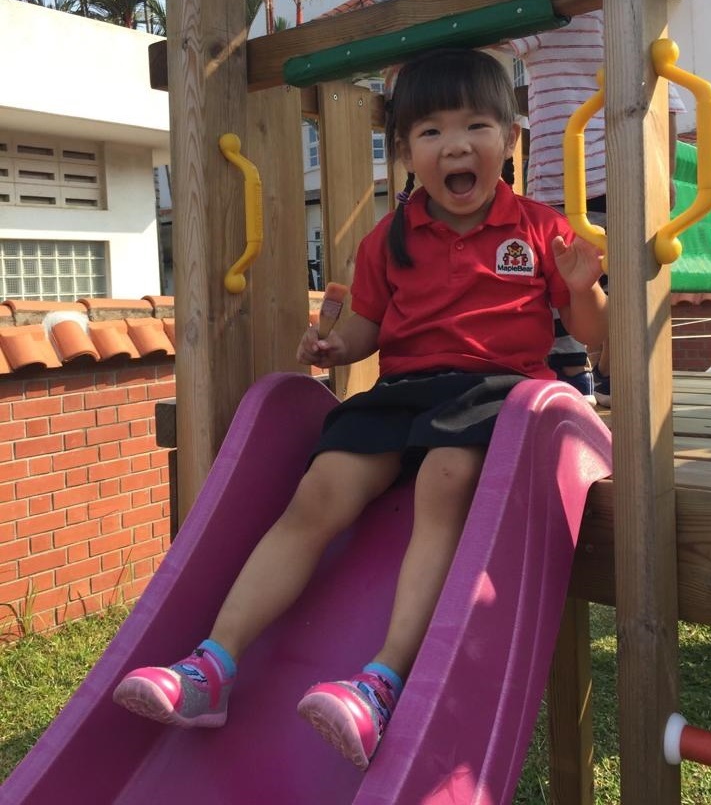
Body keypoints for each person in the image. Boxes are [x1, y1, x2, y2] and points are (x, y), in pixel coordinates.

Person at [112, 48, 607, 772]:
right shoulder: (390, 239)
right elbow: (368, 330)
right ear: (405, 152)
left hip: (496, 392)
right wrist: (333, 345)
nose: (456, 145)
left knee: (444, 480)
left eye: (476, 126)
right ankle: (212, 665)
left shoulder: (538, 228)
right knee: (320, 490)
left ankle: (382, 682)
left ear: (510, 139)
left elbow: (592, 335)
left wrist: (584, 290)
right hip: (405, 392)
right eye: (432, 132)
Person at [499, 10, 685, 406]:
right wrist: (665, 175)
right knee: (619, 280)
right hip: (616, 176)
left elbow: (491, 32)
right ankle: (612, 375)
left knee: (560, 280)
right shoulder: (631, 27)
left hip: (563, 180)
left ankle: (574, 371)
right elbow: (668, 106)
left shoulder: (553, 14)